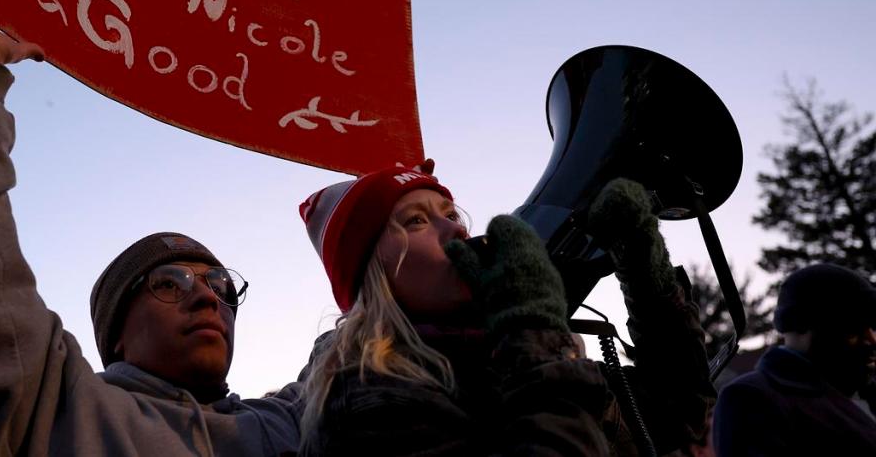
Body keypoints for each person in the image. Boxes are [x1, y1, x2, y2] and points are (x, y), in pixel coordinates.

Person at [0, 0, 302, 456]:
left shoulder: (299, 425)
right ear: (116, 336)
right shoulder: (52, 409)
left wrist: (402, 199)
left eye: (221, 287)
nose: (208, 298)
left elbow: (381, 343)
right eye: (169, 284)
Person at [297, 163, 714, 456]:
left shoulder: (507, 351)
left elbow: (679, 411)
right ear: (374, 277)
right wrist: (537, 332)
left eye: (450, 214)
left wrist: (646, 274)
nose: (457, 229)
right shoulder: (366, 398)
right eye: (416, 222)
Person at [712, 263, 876, 456]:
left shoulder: (855, 395)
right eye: (853, 329)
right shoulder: (750, 398)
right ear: (804, 326)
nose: (871, 341)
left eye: (873, 328)